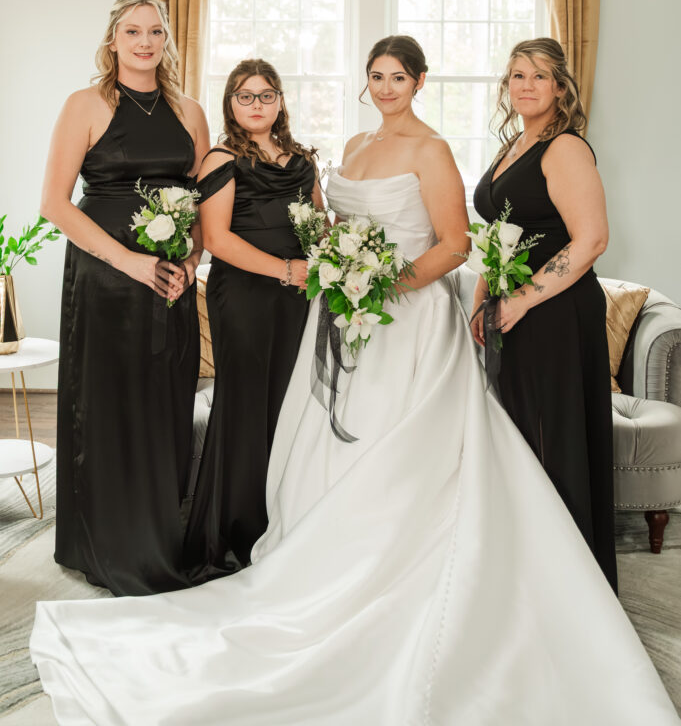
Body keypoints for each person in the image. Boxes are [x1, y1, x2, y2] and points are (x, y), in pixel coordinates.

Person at [30, 36, 677, 724]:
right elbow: (330, 227)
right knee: (336, 445)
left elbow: (454, 242)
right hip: (344, 315)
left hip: (408, 319)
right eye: (376, 75)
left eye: (398, 75)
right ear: (366, 83)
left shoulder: (433, 149)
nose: (387, 85)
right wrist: (343, 274)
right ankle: (328, 562)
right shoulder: (356, 144)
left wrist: (384, 286)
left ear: (419, 81)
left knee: (414, 454)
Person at [41, 0, 210, 596]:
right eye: (132, 31)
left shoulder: (189, 111)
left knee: (166, 401)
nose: (144, 42)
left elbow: (200, 202)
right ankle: (102, 542)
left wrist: (190, 257)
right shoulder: (84, 105)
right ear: (113, 40)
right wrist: (130, 263)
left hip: (170, 278)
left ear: (167, 41)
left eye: (155, 32)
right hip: (105, 276)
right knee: (107, 404)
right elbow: (55, 203)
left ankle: (159, 534)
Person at [472, 37, 617, 591]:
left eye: (538, 76)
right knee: (519, 440)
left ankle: (569, 585)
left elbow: (592, 239)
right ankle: (527, 572)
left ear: (560, 87)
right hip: (511, 311)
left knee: (552, 438)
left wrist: (521, 300)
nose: (525, 86)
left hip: (555, 313)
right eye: (516, 76)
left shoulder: (565, 149)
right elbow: (496, 234)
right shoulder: (512, 147)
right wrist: (485, 298)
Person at [184, 58, 322, 579]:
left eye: (266, 95)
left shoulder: (303, 159)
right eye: (245, 96)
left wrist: (338, 258)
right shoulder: (221, 158)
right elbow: (217, 240)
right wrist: (287, 271)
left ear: (281, 101)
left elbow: (319, 225)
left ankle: (280, 520)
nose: (257, 104)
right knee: (245, 403)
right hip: (242, 293)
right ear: (231, 104)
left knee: (289, 403)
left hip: (297, 295)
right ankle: (232, 532)